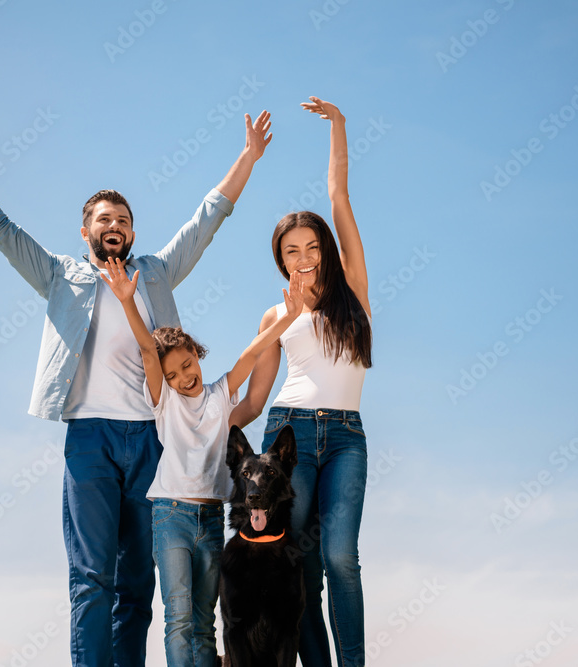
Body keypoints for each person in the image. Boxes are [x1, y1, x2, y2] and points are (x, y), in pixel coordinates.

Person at [0, 108, 272, 667]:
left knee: (137, 584)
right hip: (90, 440)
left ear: (131, 230)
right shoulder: (58, 274)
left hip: (153, 439)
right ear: (86, 232)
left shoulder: (155, 272)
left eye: (122, 218)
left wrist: (247, 157)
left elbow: (207, 219)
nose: (114, 225)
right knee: (92, 577)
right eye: (103, 218)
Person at [100, 256, 304, 667]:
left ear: (197, 353)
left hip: (211, 520)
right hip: (170, 516)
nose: (183, 377)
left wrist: (289, 318)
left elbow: (252, 351)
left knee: (205, 623)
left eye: (187, 364)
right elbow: (146, 348)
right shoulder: (164, 402)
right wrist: (126, 301)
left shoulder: (220, 395)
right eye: (173, 373)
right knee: (176, 619)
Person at [231, 97, 373, 667]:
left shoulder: (353, 294)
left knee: (340, 556)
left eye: (313, 247)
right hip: (287, 433)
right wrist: (196, 418)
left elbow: (338, 199)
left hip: (345, 439)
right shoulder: (274, 316)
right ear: (281, 261)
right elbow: (254, 398)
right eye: (292, 251)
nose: (305, 257)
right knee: (300, 563)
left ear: (328, 253)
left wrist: (339, 126)